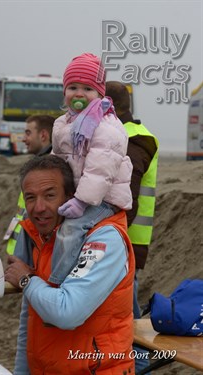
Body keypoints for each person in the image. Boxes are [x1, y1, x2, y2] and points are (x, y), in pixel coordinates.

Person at [5, 154, 135, 375]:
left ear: (70, 197)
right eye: (30, 197)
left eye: (49, 195)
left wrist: (26, 280)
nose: (38, 207)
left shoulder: (104, 239)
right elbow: (30, 317)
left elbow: (68, 312)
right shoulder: (43, 237)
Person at [49, 52, 133, 285]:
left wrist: (81, 201)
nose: (79, 94)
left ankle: (57, 283)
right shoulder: (63, 123)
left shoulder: (105, 125)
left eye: (87, 89)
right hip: (75, 192)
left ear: (99, 93)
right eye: (73, 87)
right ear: (64, 92)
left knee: (71, 231)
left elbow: (100, 170)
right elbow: (55, 159)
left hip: (102, 199)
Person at [106, 81, 159, 374]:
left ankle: (138, 364)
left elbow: (128, 199)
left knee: (127, 314)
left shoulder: (134, 139)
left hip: (123, 243)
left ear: (108, 106)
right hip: (122, 241)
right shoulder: (120, 136)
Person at [4, 114, 55, 255]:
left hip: (30, 253)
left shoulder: (48, 171)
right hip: (22, 249)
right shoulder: (38, 166)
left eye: (28, 133)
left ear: (43, 135)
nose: (24, 139)